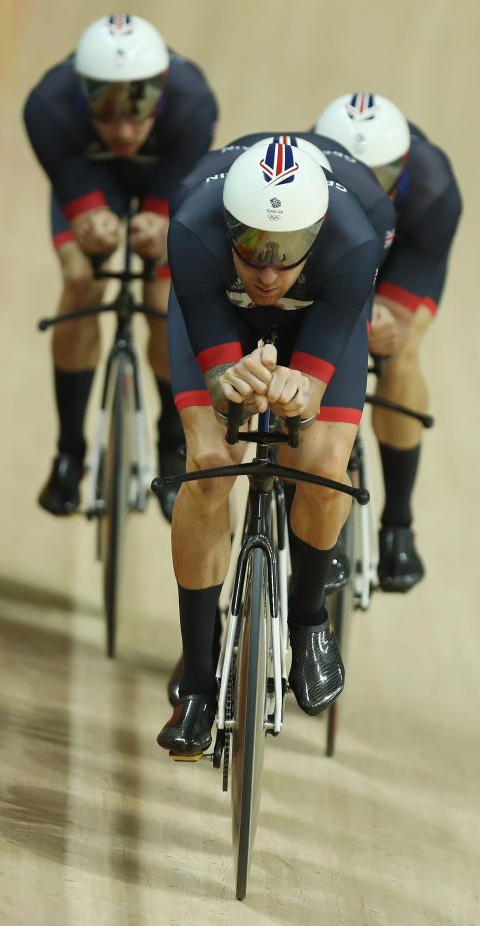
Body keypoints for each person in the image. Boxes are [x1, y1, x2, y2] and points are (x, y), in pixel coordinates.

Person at [156, 141, 383, 757]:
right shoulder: (194, 230)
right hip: (217, 317)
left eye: (284, 255)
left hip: (321, 319)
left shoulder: (354, 240)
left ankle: (310, 618)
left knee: (323, 461)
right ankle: (199, 687)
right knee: (207, 467)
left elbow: (312, 391)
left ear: (317, 233)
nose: (266, 271)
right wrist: (230, 387)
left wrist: (300, 390)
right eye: (252, 245)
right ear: (228, 224)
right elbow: (218, 383)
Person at [23, 14, 218, 521]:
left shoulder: (194, 104)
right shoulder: (47, 106)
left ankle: (172, 444)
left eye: (136, 115)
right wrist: (88, 217)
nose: (125, 131)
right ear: (83, 97)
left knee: (162, 299)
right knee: (80, 281)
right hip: (91, 175)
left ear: (161, 93)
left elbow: (172, 200)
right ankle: (70, 453)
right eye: (106, 117)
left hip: (167, 179)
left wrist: (157, 223)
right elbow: (73, 192)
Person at [315, 93, 462, 591]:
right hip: (326, 248)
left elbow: (393, 319)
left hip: (402, 264)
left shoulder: (434, 190)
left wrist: (379, 321)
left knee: (396, 350)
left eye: (376, 177)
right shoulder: (302, 172)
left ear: (401, 171)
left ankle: (398, 523)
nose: (362, 188)